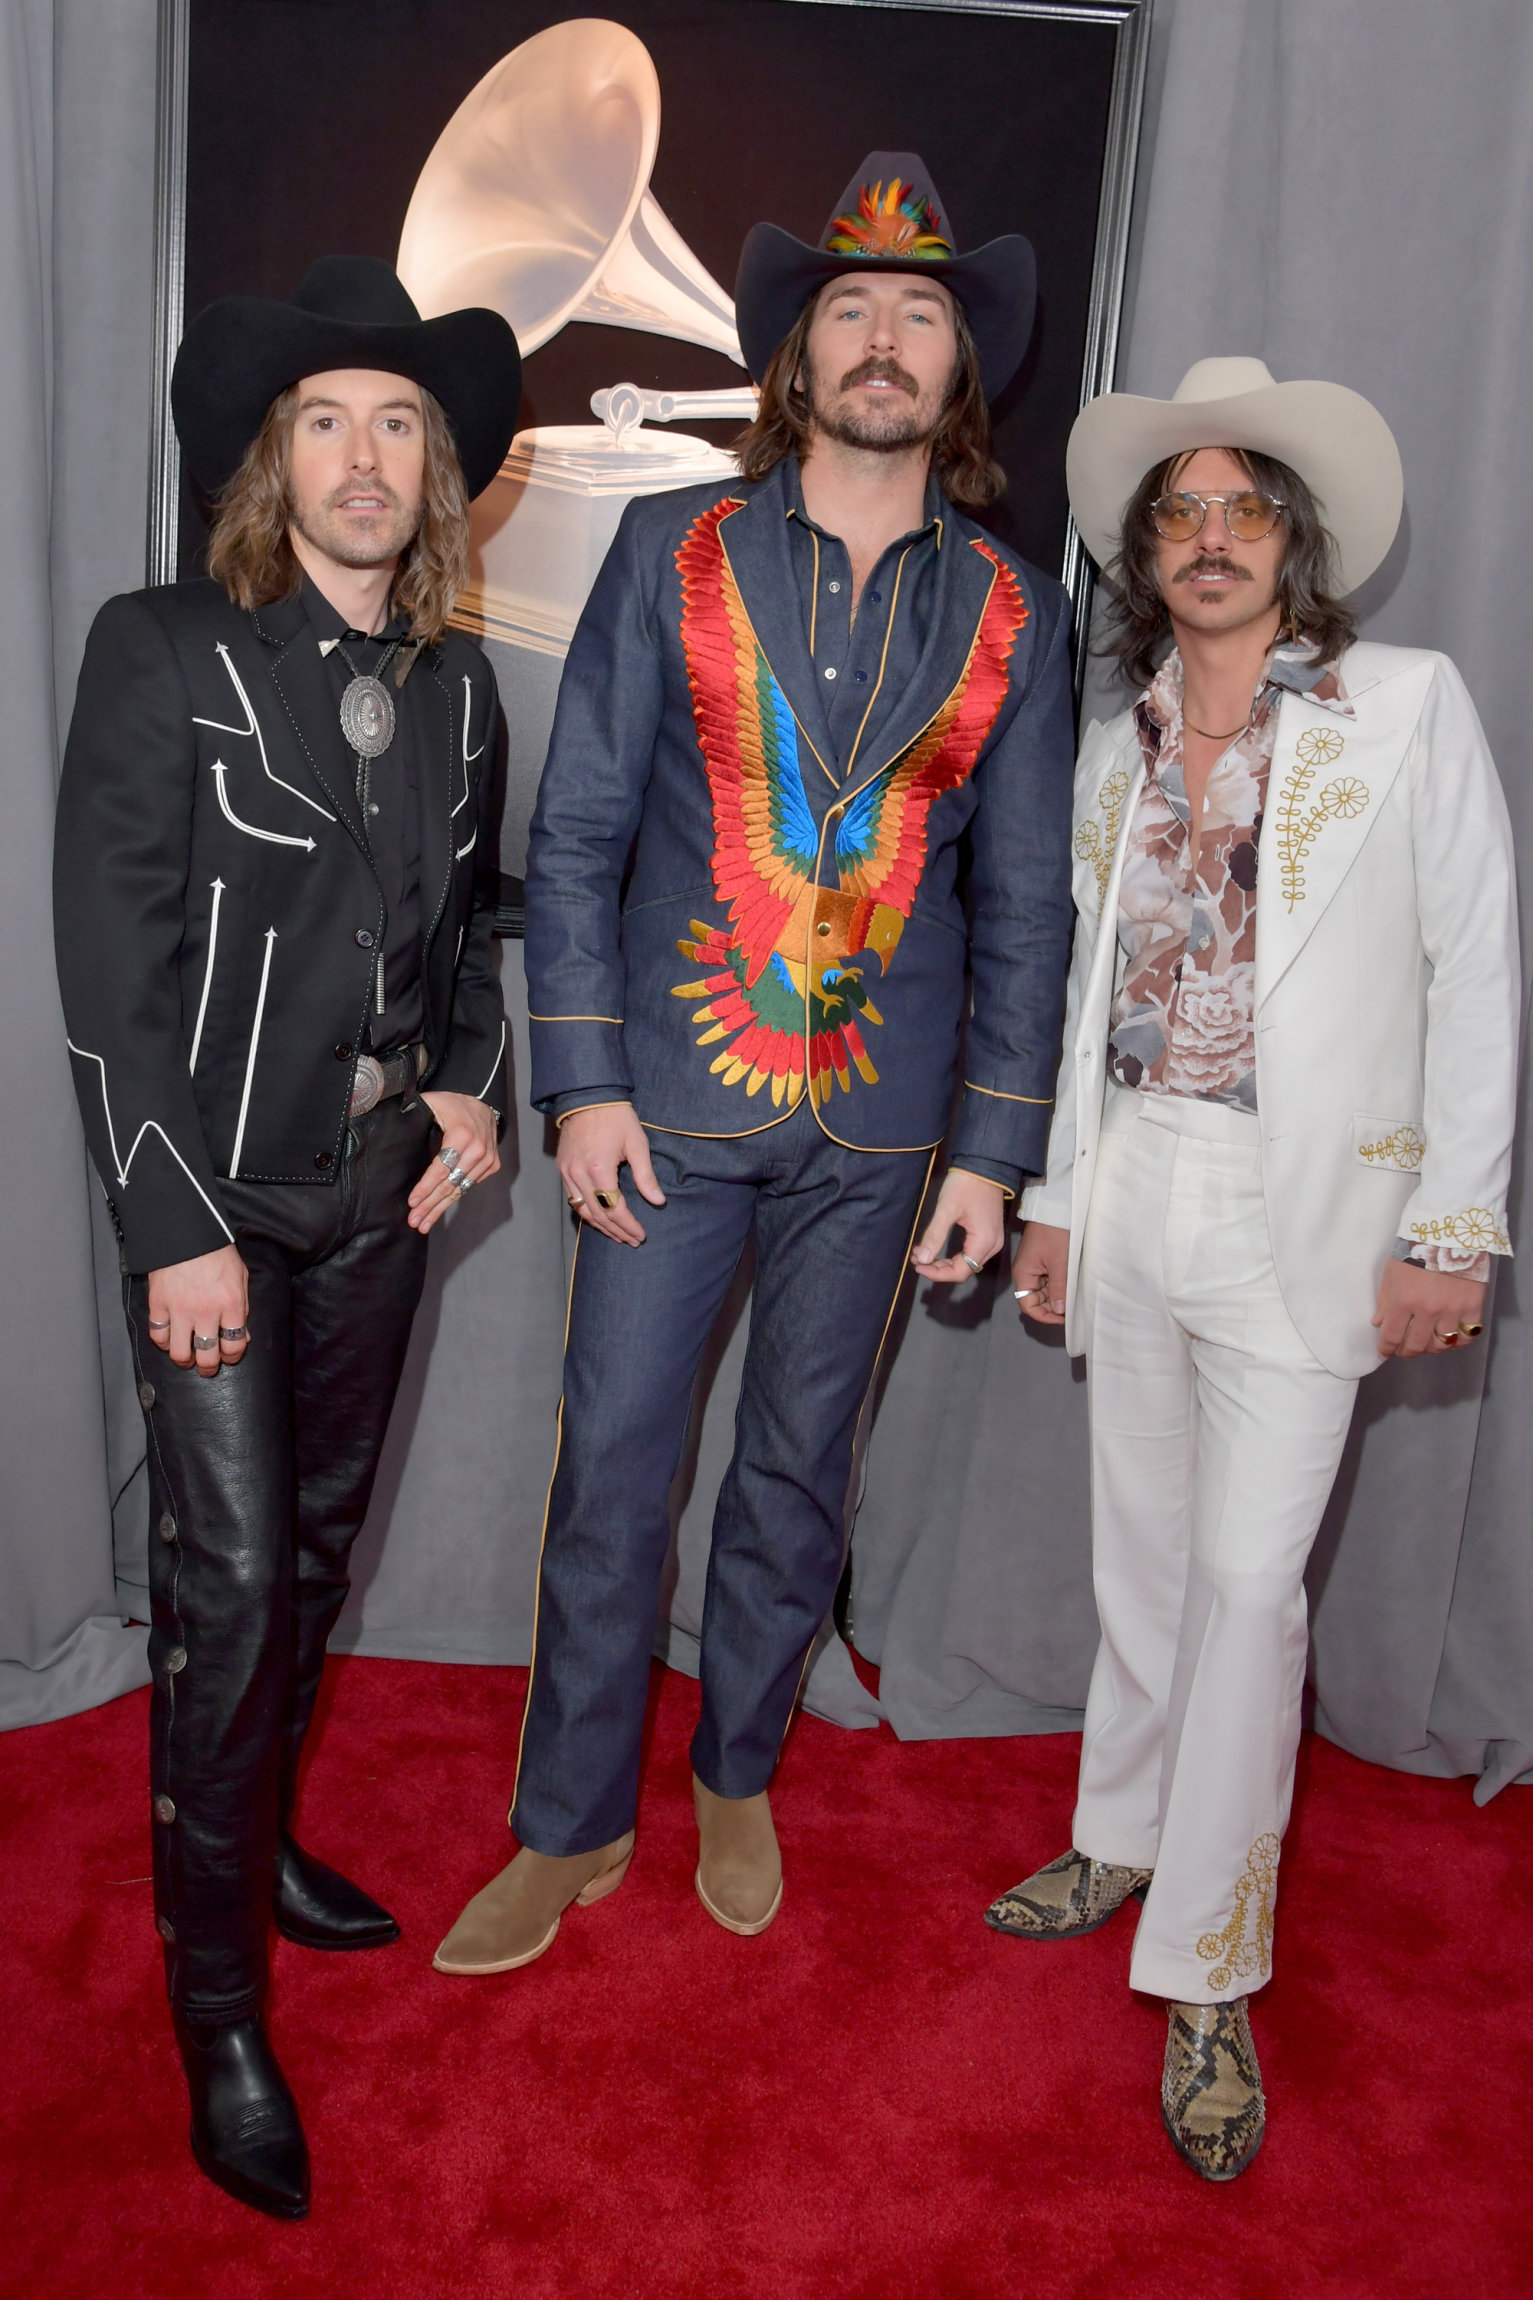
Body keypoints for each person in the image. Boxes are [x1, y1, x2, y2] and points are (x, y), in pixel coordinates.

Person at [436, 155, 1075, 1978]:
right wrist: (584, 1086)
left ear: (961, 371)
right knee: (615, 1471)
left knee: (801, 1472)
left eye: (921, 313)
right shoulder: (669, 551)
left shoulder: (1019, 612)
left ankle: (736, 1767)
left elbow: (1022, 903)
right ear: (799, 360)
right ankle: (563, 1826)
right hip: (667, 1109)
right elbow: (573, 843)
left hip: (885, 1139)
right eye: (848, 309)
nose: (882, 339)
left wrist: (989, 1156)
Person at [993, 358, 1519, 2180]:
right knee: (1142, 1551)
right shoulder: (1109, 740)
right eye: (1178, 512)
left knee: (1245, 1579)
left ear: (1295, 544)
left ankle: (1209, 1960)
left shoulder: (1406, 708)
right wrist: (1057, 1193)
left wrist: (1453, 1225)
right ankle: (1125, 1830)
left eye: (1243, 509)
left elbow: (1476, 971)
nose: (1208, 538)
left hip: (1314, 1210)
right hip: (1134, 1181)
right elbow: (1081, 1005)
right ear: (1148, 551)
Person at [53, 256, 520, 2219]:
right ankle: (218, 2001)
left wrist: (475, 1088)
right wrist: (168, 1224)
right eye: (328, 418)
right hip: (220, 1213)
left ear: (434, 471)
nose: (364, 455)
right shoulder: (161, 646)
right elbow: (110, 963)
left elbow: (475, 927)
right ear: (276, 457)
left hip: (376, 1203)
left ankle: (256, 1846)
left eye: (398, 422)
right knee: (230, 1597)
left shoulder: (463, 686)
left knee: (316, 1557)